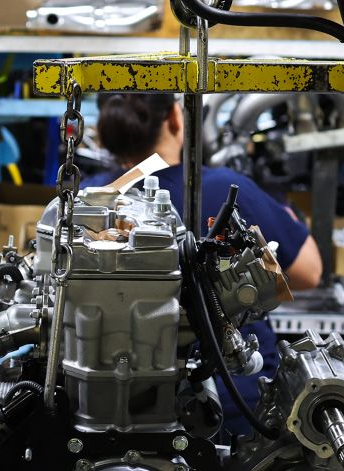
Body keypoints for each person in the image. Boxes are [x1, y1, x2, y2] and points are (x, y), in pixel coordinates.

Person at [95, 92, 322, 435]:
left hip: (123, 403)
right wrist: (286, 214)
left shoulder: (91, 200)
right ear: (175, 117)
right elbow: (309, 272)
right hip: (236, 401)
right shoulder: (225, 188)